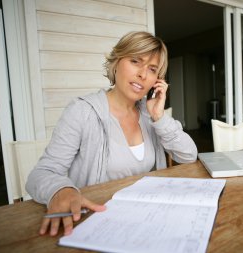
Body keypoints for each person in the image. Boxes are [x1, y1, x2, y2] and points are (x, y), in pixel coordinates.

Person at [26, 31, 198, 236]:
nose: (143, 74)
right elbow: (41, 174)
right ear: (116, 62)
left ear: (157, 81)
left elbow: (188, 156)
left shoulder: (150, 114)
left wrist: (159, 118)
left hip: (148, 219)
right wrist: (62, 191)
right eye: (135, 61)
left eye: (152, 69)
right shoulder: (82, 111)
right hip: (98, 221)